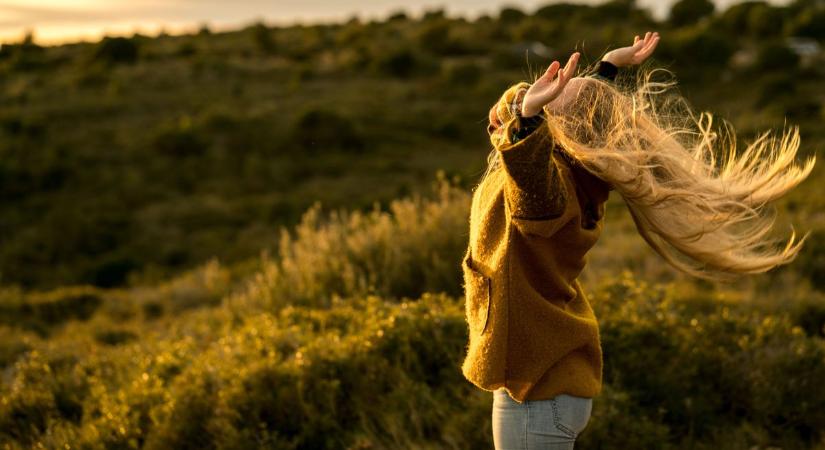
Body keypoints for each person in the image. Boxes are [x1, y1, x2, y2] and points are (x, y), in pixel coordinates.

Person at [460, 31, 815, 449]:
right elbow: (523, 122)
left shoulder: (549, 191)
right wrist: (608, 67)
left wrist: (530, 115)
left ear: (564, 127)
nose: (553, 86)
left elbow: (526, 161)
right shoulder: (574, 166)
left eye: (562, 93)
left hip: (539, 390)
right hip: (542, 379)